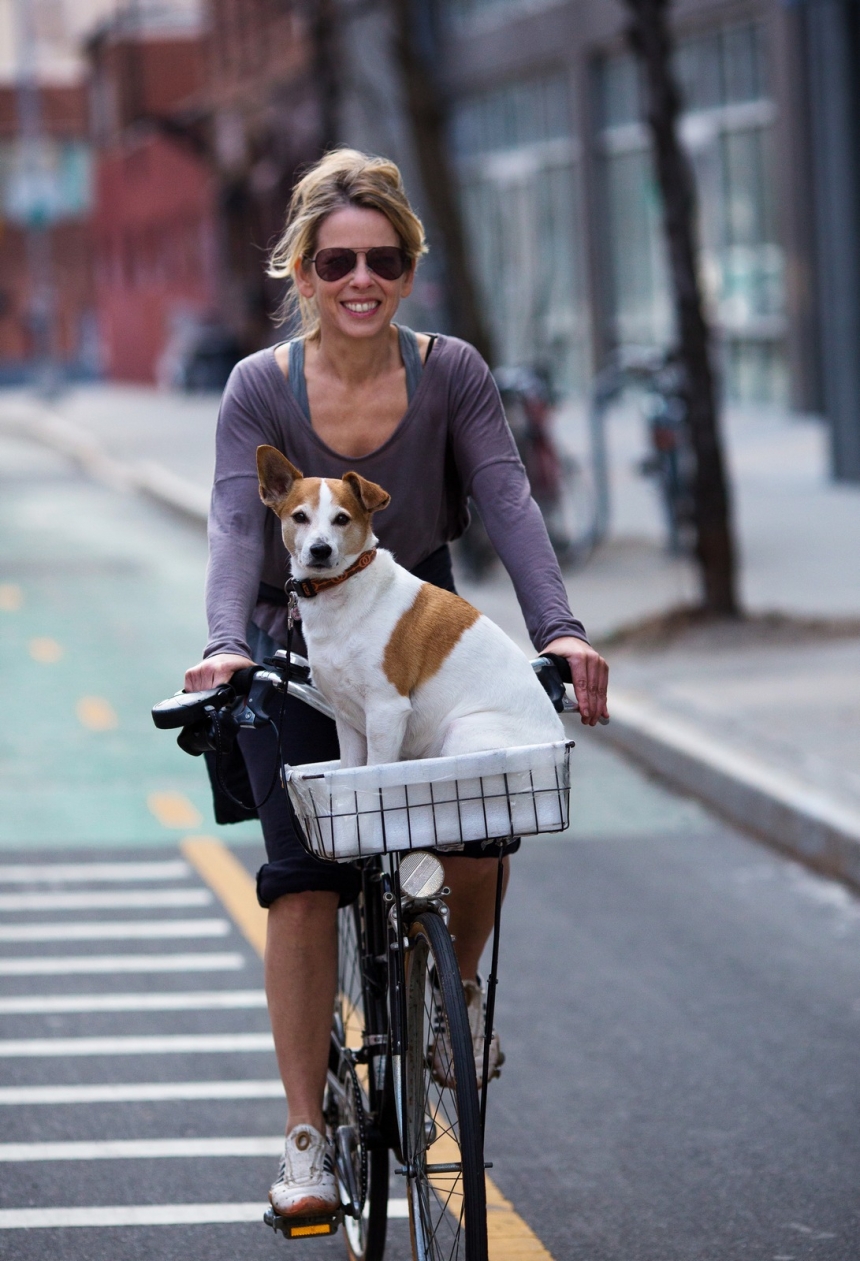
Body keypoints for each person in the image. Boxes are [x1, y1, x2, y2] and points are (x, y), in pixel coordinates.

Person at [184, 148, 609, 1217]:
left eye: (382, 259)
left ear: (408, 269)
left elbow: (507, 500)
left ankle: (446, 993)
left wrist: (558, 630)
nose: (359, 279)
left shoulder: (451, 372)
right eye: (336, 261)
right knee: (304, 876)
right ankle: (304, 1141)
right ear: (304, 270)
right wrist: (227, 640)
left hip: (417, 635)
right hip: (293, 653)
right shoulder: (256, 389)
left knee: (480, 816)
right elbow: (240, 524)